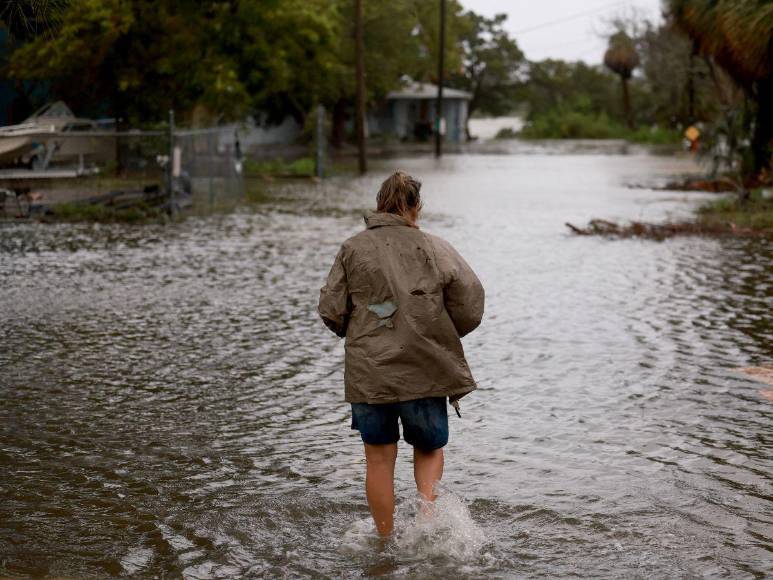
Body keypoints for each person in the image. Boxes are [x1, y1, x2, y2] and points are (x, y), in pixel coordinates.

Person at [318, 170, 485, 537]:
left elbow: (331, 310)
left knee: (378, 459)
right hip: (425, 367)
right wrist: (437, 331)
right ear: (416, 207)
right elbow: (471, 303)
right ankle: (426, 531)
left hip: (369, 372)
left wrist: (362, 332)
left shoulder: (351, 248)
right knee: (427, 449)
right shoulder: (435, 247)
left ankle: (382, 540)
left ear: (379, 205)